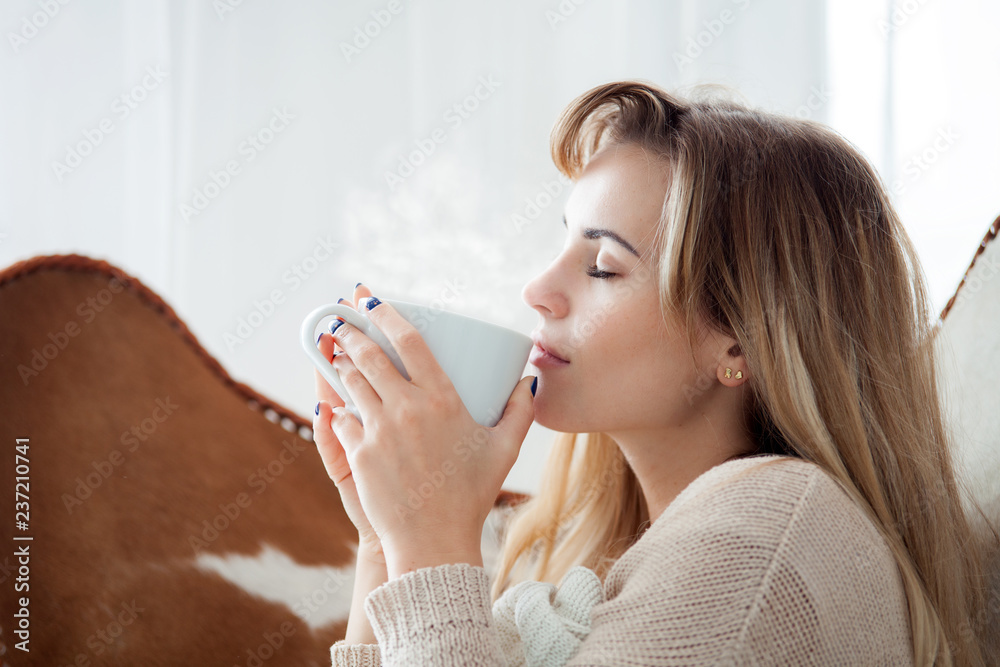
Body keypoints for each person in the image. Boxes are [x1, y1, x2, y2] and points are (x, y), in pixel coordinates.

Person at [312, 80, 998, 666]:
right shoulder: (638, 552)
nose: (538, 289)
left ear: (741, 344)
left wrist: (430, 541)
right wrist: (386, 541)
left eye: (604, 266)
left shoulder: (765, 537)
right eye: (562, 245)